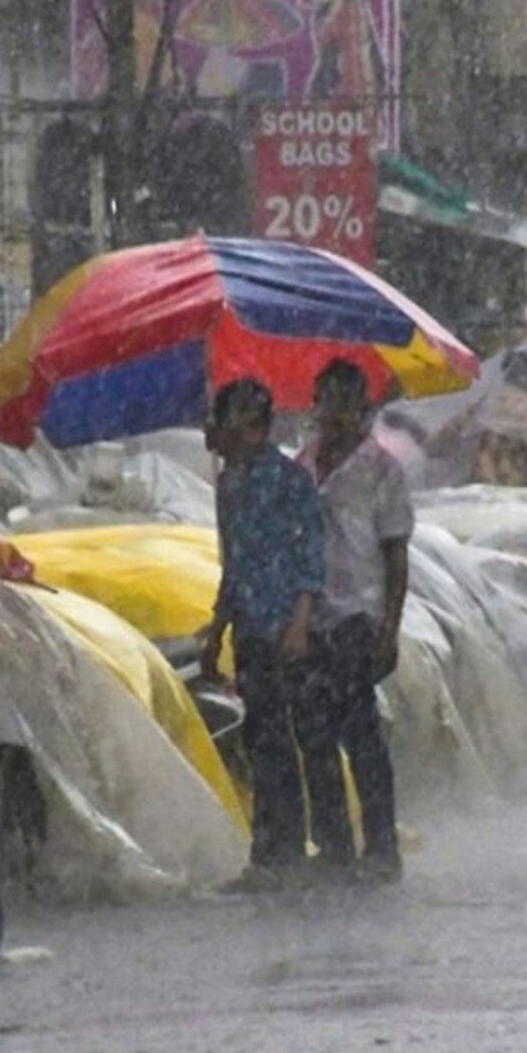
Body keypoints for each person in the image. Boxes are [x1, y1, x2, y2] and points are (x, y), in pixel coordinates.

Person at [200, 377, 331, 892]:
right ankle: (269, 852)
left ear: (251, 426)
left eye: (225, 421)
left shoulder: (291, 481)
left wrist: (299, 623)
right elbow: (233, 563)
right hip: (251, 630)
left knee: (291, 739)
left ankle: (295, 849)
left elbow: (310, 560)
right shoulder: (229, 486)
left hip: (286, 630)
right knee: (261, 739)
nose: (218, 433)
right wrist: (217, 629)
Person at [296, 358, 412, 884]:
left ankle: (382, 847)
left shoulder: (382, 469)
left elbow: (395, 555)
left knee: (360, 735)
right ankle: (335, 844)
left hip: (356, 616)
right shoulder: (302, 463)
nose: (334, 414)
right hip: (310, 618)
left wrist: (389, 628)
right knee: (315, 738)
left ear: (361, 409)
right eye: (327, 401)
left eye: (345, 403)